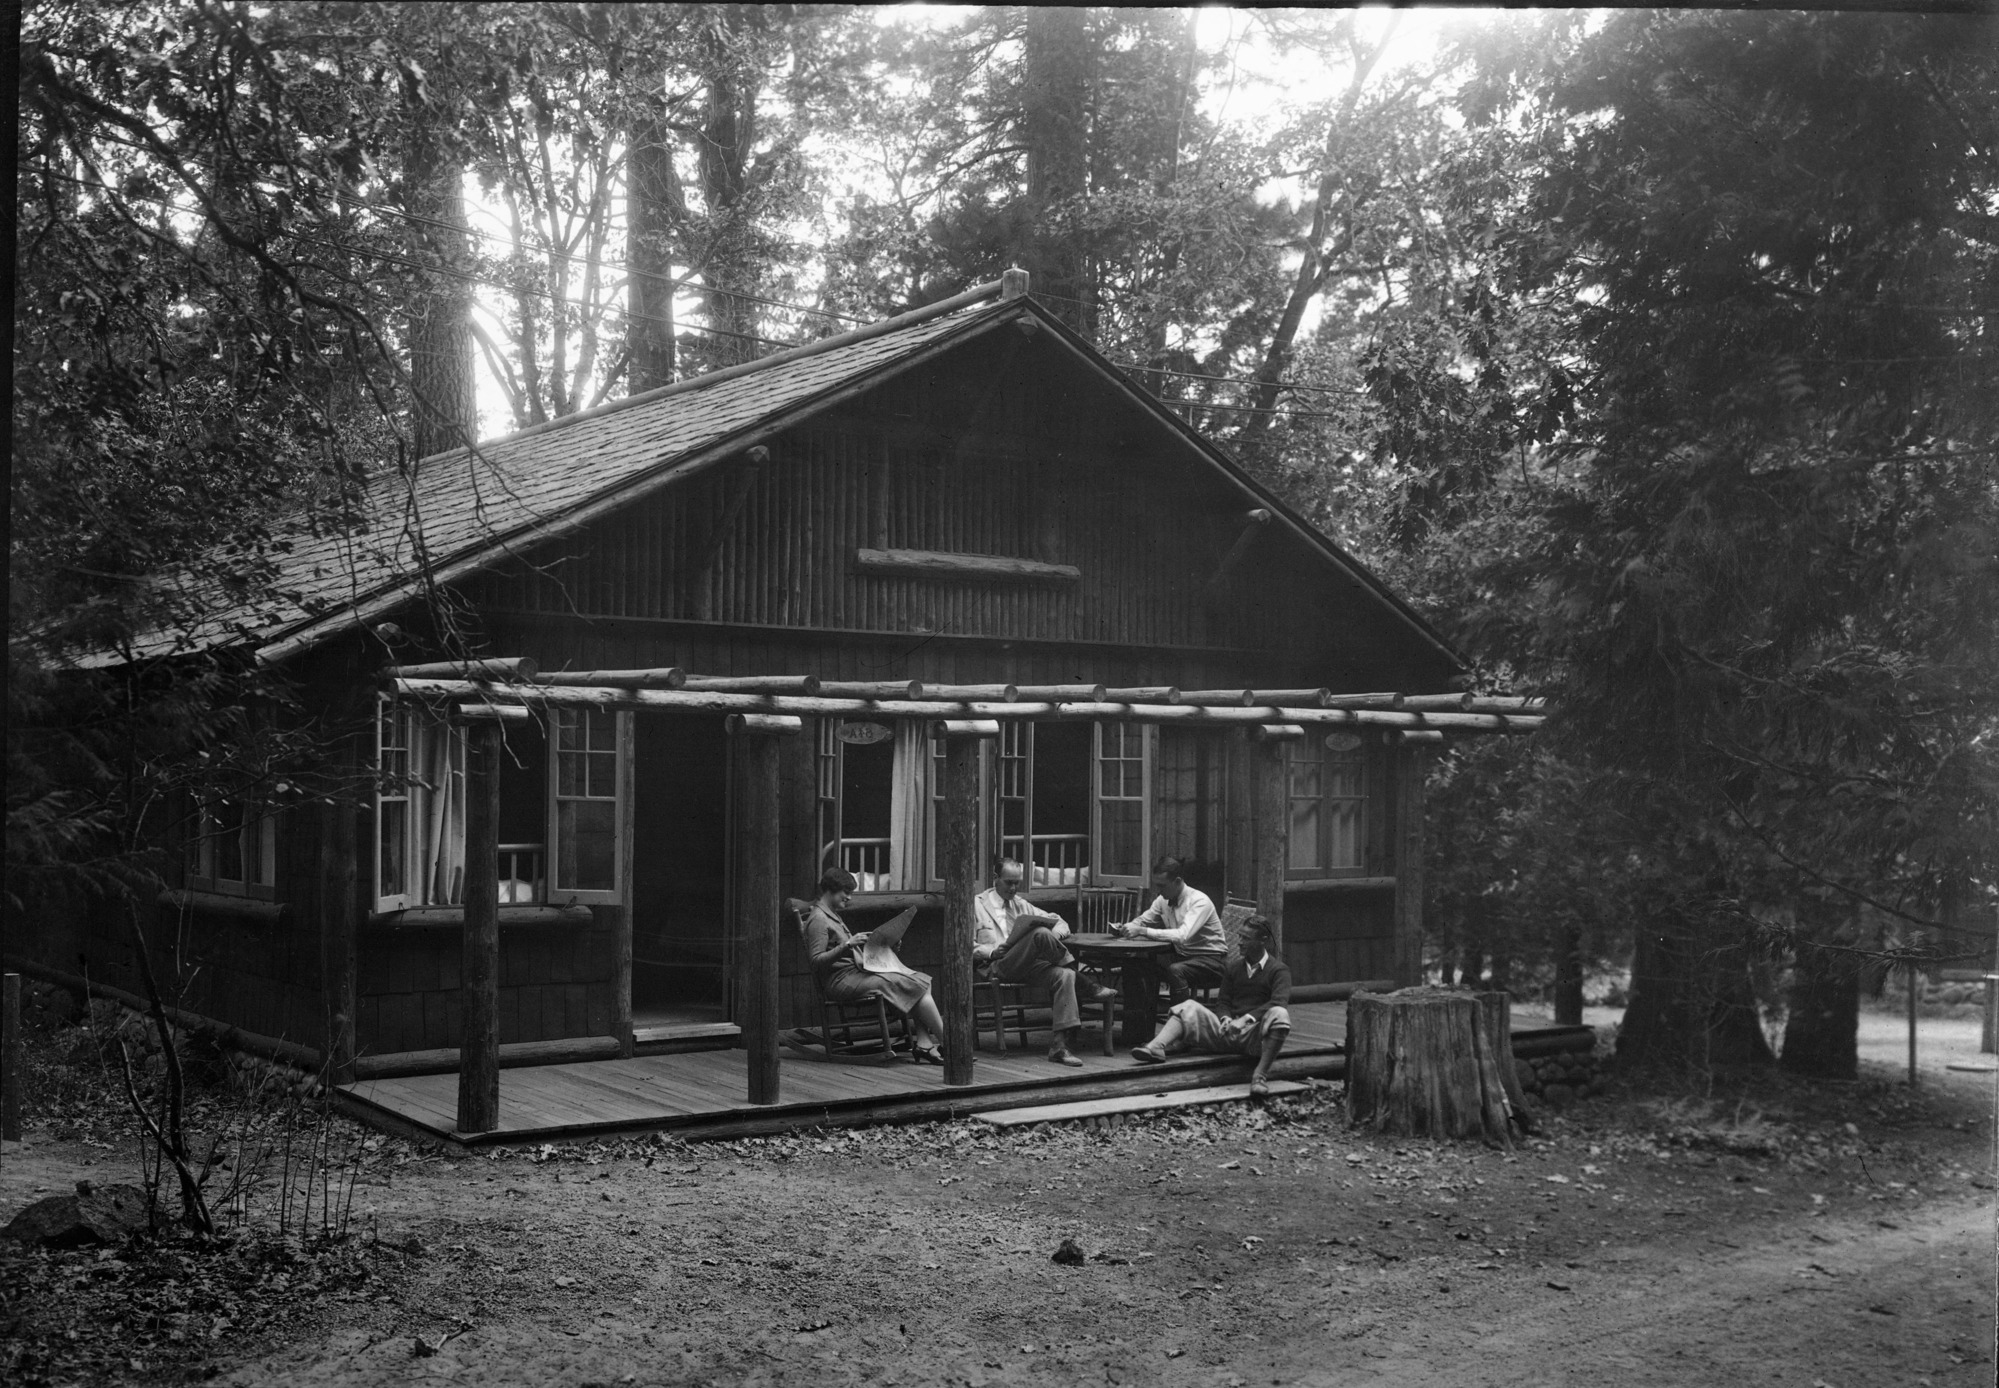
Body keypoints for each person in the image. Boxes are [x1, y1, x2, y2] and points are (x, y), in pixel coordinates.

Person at [974, 859, 1116, 1068]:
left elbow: (1060, 922)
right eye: (1008, 882)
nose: (1013, 888)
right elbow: (963, 946)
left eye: (1017, 883)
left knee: (1064, 975)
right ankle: (1086, 983)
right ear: (995, 879)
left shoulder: (1020, 904)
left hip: (1028, 965)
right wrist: (992, 951)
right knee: (1039, 933)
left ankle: (1059, 1047)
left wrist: (1054, 935)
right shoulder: (977, 905)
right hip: (998, 966)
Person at [1129, 914, 1291, 1097]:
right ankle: (1155, 1048)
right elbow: (1223, 1001)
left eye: (1246, 938)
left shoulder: (1279, 970)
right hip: (1227, 1033)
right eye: (1240, 936)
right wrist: (1225, 1018)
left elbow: (1279, 1002)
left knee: (1279, 1013)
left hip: (1254, 1039)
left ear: (1263, 940)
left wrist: (1246, 1020)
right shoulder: (1234, 967)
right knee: (1188, 1005)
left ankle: (1259, 1076)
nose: (1239, 943)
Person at [806, 868, 948, 1064]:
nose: (848, 898)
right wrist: (847, 945)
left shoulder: (832, 914)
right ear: (830, 890)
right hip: (839, 981)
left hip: (855, 973)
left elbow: (852, 954)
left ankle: (924, 1044)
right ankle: (950, 1045)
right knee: (912, 984)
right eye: (845, 892)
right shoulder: (818, 919)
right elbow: (815, 962)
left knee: (919, 981)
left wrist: (883, 944)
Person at [1111, 856, 1227, 1004]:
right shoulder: (1163, 899)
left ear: (1177, 881)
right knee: (1134, 965)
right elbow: (1145, 920)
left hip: (1211, 960)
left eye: (1162, 886)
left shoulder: (1199, 901)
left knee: (1176, 970)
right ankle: (1139, 1024)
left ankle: (1180, 1020)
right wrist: (1129, 927)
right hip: (1182, 956)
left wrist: (1142, 931)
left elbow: (1182, 936)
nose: (1158, 891)